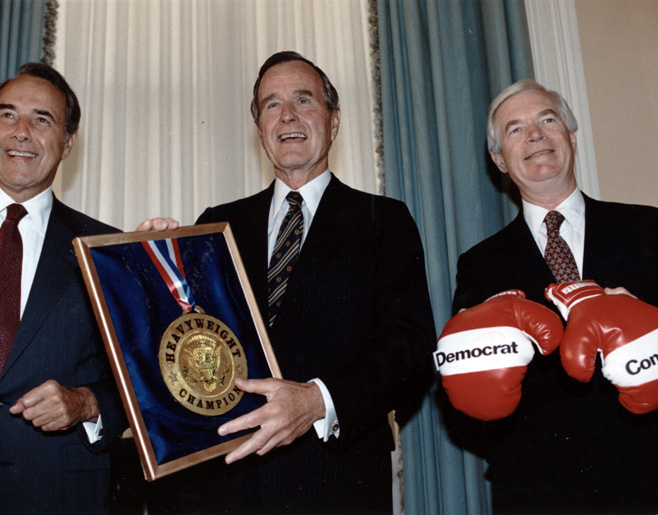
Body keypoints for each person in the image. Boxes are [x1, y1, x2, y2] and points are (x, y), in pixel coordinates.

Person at [136, 51, 436, 514]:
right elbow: (181, 347)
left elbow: (410, 354)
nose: (288, 115)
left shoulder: (384, 220)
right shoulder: (215, 226)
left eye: (304, 100)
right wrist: (147, 269)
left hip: (336, 483)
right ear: (260, 128)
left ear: (334, 121)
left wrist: (317, 400)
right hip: (226, 485)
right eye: (272, 105)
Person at [447, 79, 658, 513]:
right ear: (499, 160)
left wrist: (654, 334)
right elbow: (468, 402)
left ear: (572, 136)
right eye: (515, 129)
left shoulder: (649, 228)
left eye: (547, 120)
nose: (535, 135)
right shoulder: (479, 264)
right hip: (542, 492)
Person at [0, 63, 126, 514]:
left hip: (58, 494)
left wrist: (86, 403)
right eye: (8, 115)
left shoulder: (106, 247)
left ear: (67, 142)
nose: (20, 132)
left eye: (41, 119)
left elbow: (138, 381)